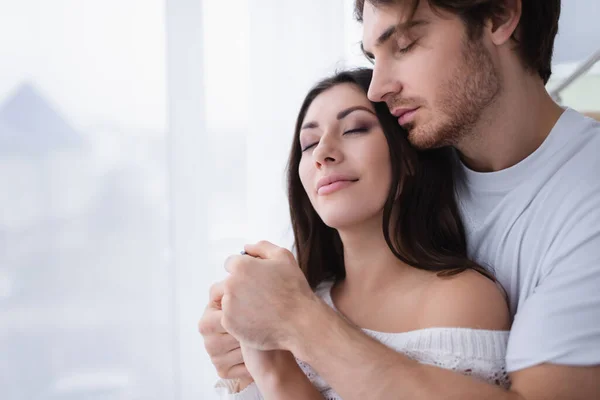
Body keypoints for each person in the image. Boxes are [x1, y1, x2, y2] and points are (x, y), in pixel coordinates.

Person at [201, 0, 600, 398]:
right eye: (373, 56)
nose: (378, 87)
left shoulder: (585, 198)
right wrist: (237, 337)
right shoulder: (399, 175)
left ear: (499, 16)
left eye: (405, 45)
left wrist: (299, 322)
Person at [203, 68, 511, 399]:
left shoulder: (461, 300)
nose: (322, 153)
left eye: (354, 129)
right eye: (308, 143)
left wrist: (274, 369)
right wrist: (240, 367)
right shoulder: (296, 296)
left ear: (407, 156)